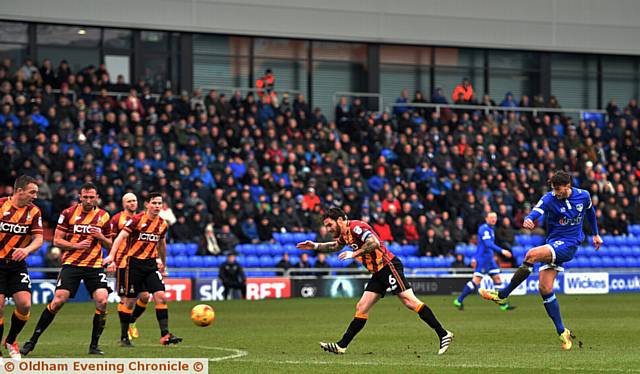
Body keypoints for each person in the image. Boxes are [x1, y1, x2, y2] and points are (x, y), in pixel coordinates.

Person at [296, 207, 453, 355]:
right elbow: (335, 247)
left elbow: (374, 243)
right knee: (362, 307)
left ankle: (443, 333)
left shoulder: (357, 227)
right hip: (378, 272)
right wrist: (315, 245)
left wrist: (355, 253)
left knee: (409, 301)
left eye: (330, 225)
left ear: (340, 220)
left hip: (388, 265)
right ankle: (341, 346)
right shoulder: (344, 234)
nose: (328, 229)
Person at [479, 171, 603, 350]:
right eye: (553, 188)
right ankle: (563, 332)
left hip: (569, 245)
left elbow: (590, 212)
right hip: (553, 243)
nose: (555, 192)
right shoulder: (550, 197)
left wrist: (596, 234)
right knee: (544, 288)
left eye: (558, 188)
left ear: (568, 186)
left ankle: (502, 295)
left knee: (531, 255)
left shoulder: (583, 196)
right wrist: (529, 218)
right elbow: (538, 209)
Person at [22, 182, 111, 357]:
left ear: (97, 198)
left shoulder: (104, 216)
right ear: (80, 196)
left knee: (103, 300)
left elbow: (110, 243)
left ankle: (94, 345)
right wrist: (76, 245)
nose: (88, 200)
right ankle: (32, 341)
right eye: (85, 197)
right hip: (72, 264)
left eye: (91, 197)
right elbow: (57, 240)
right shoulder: (68, 213)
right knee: (58, 302)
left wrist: (100, 236)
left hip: (94, 266)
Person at [104, 192, 182, 347]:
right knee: (130, 301)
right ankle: (124, 337)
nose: (157, 206)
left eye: (159, 203)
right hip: (133, 264)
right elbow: (120, 238)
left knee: (160, 296)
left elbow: (161, 245)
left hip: (150, 265)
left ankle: (165, 335)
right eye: (154, 203)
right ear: (147, 204)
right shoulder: (136, 220)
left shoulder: (162, 224)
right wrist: (111, 256)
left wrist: (163, 265)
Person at [0, 176, 44, 360]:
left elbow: (39, 238)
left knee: (25, 304)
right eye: (32, 192)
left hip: (17, 265)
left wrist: (26, 250)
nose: (35, 196)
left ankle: (11, 340)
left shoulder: (34, 212)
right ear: (19, 191)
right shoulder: (1, 205)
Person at [109, 193, 151, 343]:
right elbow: (111, 240)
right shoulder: (116, 219)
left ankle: (131, 320)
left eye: (134, 200)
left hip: (140, 262)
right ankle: (124, 335)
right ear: (123, 204)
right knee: (125, 299)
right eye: (129, 201)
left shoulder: (143, 218)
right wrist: (112, 259)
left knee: (145, 296)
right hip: (122, 262)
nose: (132, 203)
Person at [453, 212, 514, 311]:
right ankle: (459, 300)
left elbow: (482, 246)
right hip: (484, 260)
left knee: (497, 280)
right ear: (486, 219)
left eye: (495, 217)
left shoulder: (491, 229)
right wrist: (502, 251)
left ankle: (503, 304)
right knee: (476, 281)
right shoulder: (484, 229)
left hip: (490, 260)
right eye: (491, 217)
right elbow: (487, 244)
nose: (494, 219)